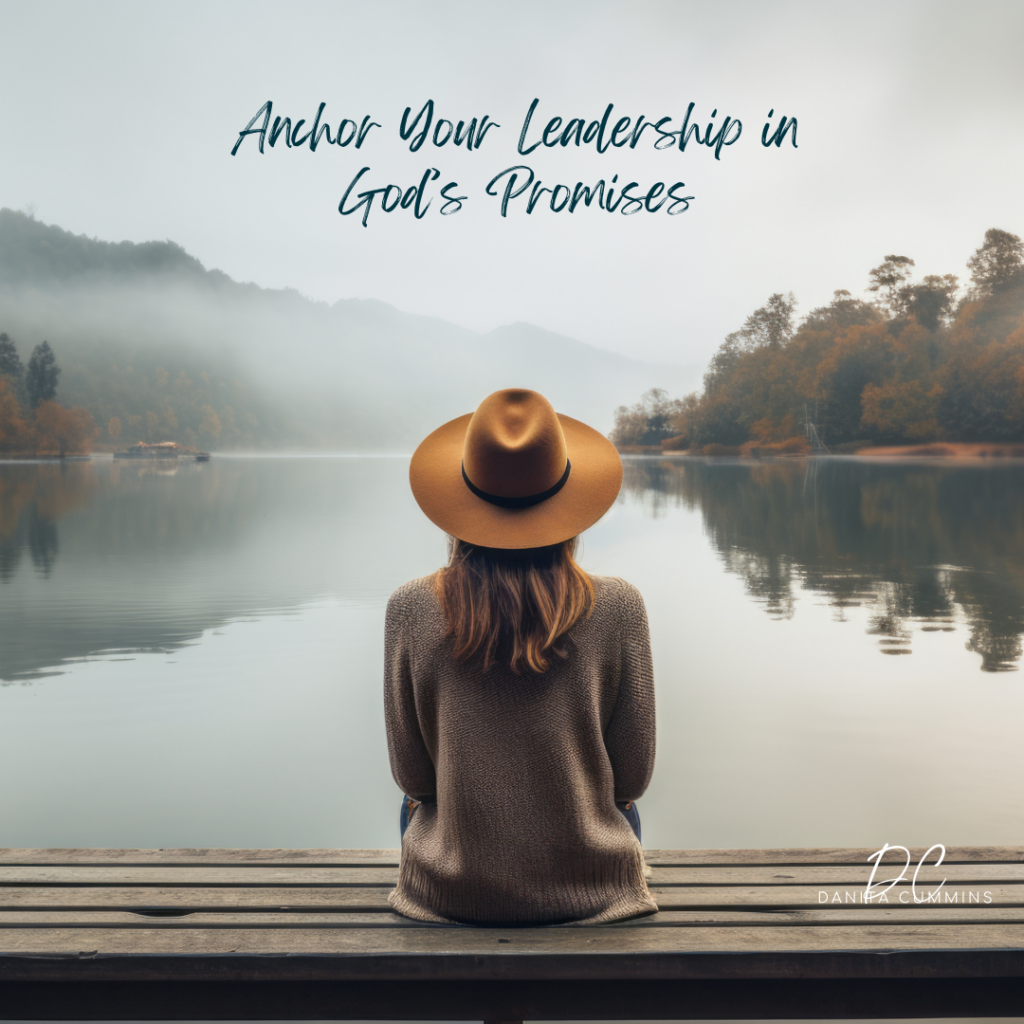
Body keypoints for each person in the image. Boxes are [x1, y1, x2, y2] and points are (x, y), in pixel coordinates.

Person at [384, 388, 657, 925]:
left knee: (417, 807)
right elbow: (632, 780)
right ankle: (587, 882)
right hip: (592, 890)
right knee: (617, 807)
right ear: (568, 503)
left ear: (459, 503)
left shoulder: (411, 607)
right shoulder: (619, 606)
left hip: (451, 893)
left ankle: (461, 886)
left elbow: (413, 777)